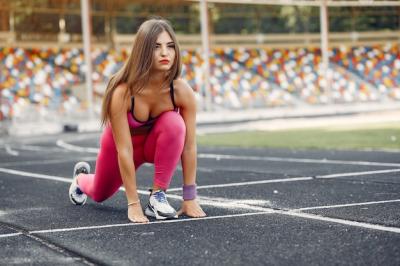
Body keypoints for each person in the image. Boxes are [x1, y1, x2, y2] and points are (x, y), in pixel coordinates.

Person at [68, 18, 206, 223]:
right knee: (99, 193)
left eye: (170, 46)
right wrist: (133, 204)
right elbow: (124, 150)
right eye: (156, 47)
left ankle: (157, 198)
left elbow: (189, 146)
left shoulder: (181, 91)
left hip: (152, 146)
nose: (164, 53)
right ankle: (80, 179)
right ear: (143, 51)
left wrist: (190, 198)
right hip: (120, 148)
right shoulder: (123, 92)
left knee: (175, 123)